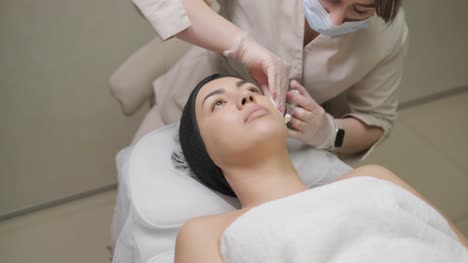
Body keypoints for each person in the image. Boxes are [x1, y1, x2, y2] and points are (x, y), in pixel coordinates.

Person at [174, 74, 467, 263]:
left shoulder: (372, 177)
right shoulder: (206, 233)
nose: (247, 97)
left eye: (251, 89)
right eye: (218, 104)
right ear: (205, 152)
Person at [130, 0, 408, 160]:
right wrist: (242, 46)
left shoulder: (389, 35)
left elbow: (376, 119)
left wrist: (329, 131)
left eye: (359, 10)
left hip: (282, 149)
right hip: (182, 112)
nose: (335, 21)